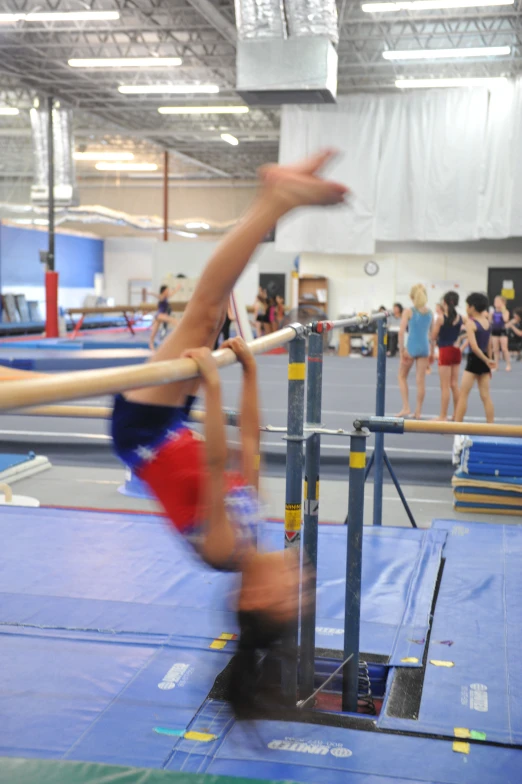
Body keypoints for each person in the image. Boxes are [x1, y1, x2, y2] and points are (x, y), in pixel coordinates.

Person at [110, 150, 347, 717]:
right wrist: (244, 372)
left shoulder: (221, 552)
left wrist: (214, 387)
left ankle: (273, 201)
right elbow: (249, 450)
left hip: (141, 432)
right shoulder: (253, 532)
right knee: (208, 316)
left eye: (296, 593)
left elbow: (217, 463)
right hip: (170, 427)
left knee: (204, 311)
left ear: (256, 596)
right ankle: (271, 205)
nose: (304, 578)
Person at [454, 293, 496, 424]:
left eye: (467, 306)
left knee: (463, 395)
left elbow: (473, 346)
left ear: (472, 307)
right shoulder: (487, 322)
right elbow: (489, 345)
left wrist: (486, 360)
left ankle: (457, 425)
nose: (466, 308)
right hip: (484, 360)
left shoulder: (471, 323)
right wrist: (489, 360)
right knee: (485, 396)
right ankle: (491, 426)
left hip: (475, 360)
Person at [397, 284, 433, 419]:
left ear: (411, 297)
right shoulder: (430, 312)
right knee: (420, 381)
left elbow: (401, 332)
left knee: (401, 376)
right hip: (424, 347)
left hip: (411, 346)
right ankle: (418, 412)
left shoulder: (409, 311)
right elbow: (432, 335)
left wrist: (402, 351)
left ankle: (406, 407)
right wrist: (432, 351)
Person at [432, 291, 463, 421]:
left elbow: (433, 336)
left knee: (445, 386)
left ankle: (442, 416)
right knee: (454, 384)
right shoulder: (460, 317)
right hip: (456, 350)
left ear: (444, 302)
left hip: (445, 350)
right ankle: (457, 415)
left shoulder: (441, 318)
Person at [148, 285, 178, 351]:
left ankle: (152, 347)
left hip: (158, 316)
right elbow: (157, 296)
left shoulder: (166, 297)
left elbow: (172, 293)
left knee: (153, 333)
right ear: (164, 291)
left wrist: (177, 288)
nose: (168, 291)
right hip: (160, 315)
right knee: (173, 320)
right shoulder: (162, 296)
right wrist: (151, 293)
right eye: (167, 290)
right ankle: (180, 329)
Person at [490, 295, 512, 372]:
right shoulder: (493, 312)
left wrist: (503, 310)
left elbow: (506, 319)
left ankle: (508, 364)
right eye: (495, 301)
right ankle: (496, 366)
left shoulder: (506, 311)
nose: (496, 303)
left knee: (504, 348)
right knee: (495, 349)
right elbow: (490, 321)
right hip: (495, 331)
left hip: (502, 331)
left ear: (503, 303)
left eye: (498, 302)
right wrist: (490, 315)